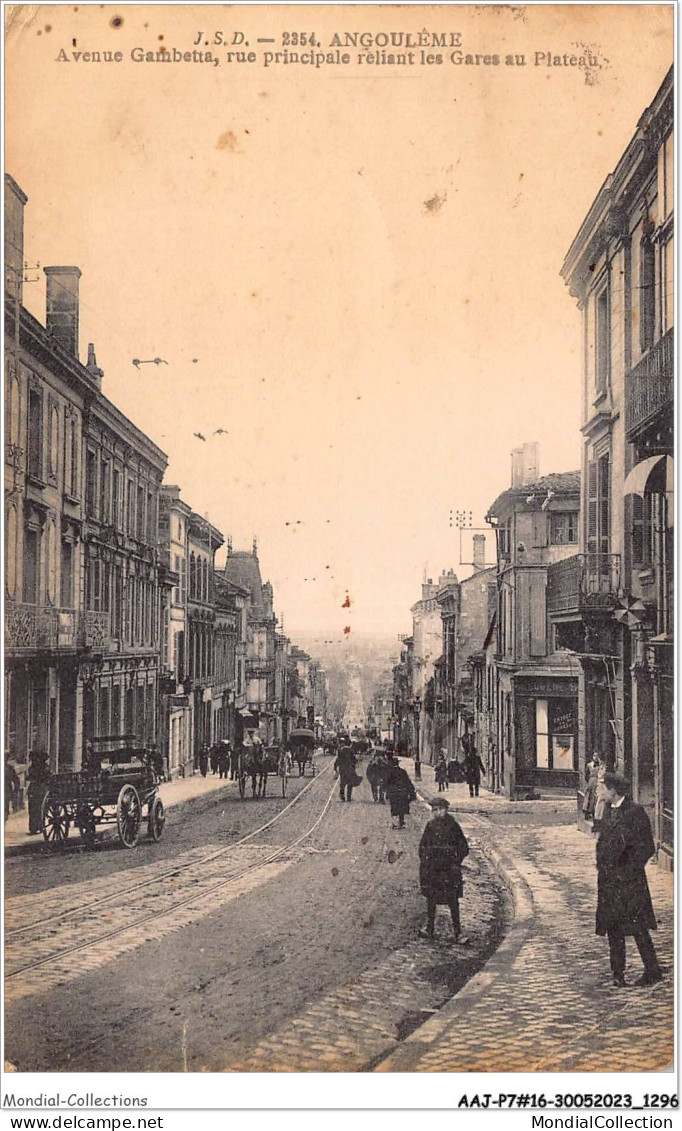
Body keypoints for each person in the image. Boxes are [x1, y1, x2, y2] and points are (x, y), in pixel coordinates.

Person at [595, 771, 663, 988]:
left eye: (603, 788)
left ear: (614, 791)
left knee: (638, 927)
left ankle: (652, 971)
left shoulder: (635, 812)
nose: (600, 792)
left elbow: (647, 847)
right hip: (609, 881)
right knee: (613, 927)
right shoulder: (607, 810)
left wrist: (628, 871)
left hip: (629, 882)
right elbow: (603, 840)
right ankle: (618, 973)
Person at [418, 797, 469, 942]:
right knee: (431, 899)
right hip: (434, 870)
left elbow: (463, 847)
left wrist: (455, 861)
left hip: (449, 870)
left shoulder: (453, 826)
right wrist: (426, 862)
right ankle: (429, 928)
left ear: (445, 810)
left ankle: (458, 932)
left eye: (438, 809)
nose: (435, 813)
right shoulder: (430, 826)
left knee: (452, 901)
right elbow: (423, 847)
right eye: (433, 810)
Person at [385, 755, 417, 829]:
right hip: (402, 792)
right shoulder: (403, 771)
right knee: (402, 807)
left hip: (393, 793)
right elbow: (408, 782)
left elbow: (387, 782)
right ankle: (401, 822)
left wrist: (386, 792)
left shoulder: (390, 771)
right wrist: (412, 791)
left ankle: (394, 822)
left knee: (394, 807)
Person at [26, 750, 50, 834]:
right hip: (38, 790)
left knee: (36, 809)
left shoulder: (38, 768)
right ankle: (36, 827)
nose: (32, 760)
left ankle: (36, 827)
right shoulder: (43, 767)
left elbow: (31, 777)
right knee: (35, 809)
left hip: (39, 790)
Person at [582, 753, 601, 823]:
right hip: (591, 781)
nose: (595, 757)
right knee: (588, 796)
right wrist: (589, 781)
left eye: (597, 756)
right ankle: (586, 812)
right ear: (592, 757)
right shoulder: (589, 765)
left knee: (595, 797)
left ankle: (594, 812)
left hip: (597, 781)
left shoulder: (600, 766)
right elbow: (586, 775)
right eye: (594, 756)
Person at [5, 754, 20, 820]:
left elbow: (16, 779)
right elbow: (16, 780)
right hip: (6, 790)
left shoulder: (9, 768)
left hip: (6, 791)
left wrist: (16, 788)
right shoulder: (9, 768)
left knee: (5, 806)